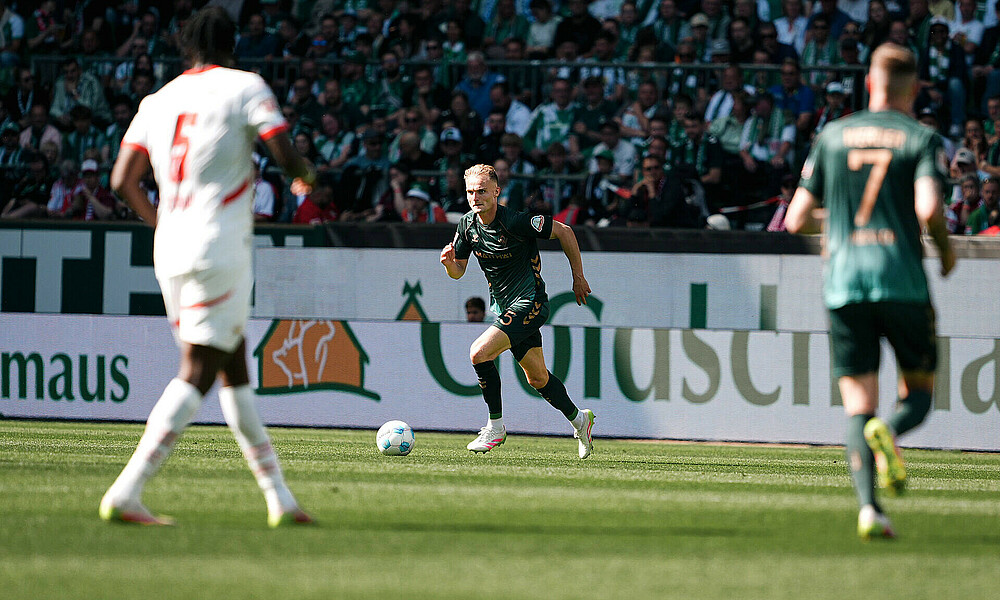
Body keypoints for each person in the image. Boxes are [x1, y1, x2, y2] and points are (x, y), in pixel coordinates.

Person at [101, 7, 316, 528]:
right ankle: (126, 491)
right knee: (198, 370)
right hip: (219, 244)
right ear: (233, 42)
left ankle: (280, 499)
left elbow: (122, 180)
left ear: (184, 46)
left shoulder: (159, 99)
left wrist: (162, 224)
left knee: (233, 370)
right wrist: (304, 174)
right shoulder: (245, 86)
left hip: (170, 246)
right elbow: (283, 152)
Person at [784, 44, 956, 540]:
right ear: (915, 88)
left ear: (869, 83)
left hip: (844, 285)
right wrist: (945, 251)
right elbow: (927, 210)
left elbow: (796, 220)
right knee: (918, 396)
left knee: (858, 405)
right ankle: (893, 433)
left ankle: (868, 510)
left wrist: (838, 223)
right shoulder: (922, 138)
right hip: (901, 281)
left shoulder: (832, 136)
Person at [440, 164, 595, 458]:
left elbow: (565, 231)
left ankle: (495, 427)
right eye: (471, 192)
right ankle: (580, 420)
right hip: (504, 307)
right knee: (537, 378)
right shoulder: (467, 225)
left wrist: (578, 276)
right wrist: (449, 263)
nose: (476, 197)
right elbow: (458, 271)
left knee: (478, 352)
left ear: (497, 192)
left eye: (483, 191)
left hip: (530, 301)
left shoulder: (515, 221)